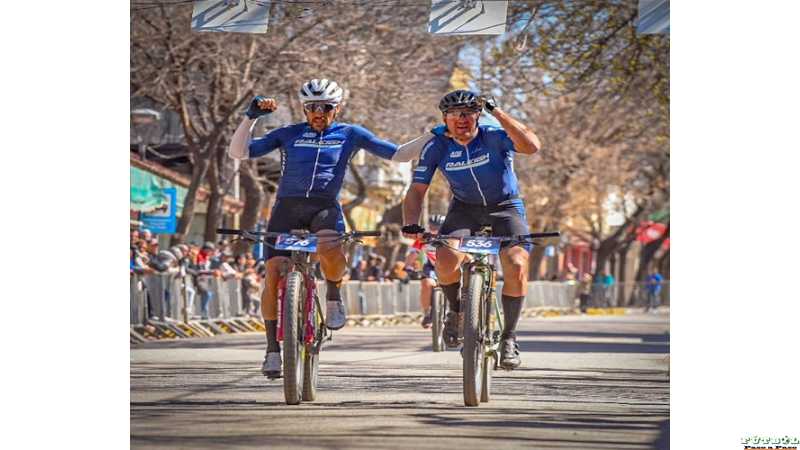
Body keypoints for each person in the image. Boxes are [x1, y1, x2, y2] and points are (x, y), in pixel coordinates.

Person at [227, 78, 421, 378]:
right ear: (304, 110)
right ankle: (271, 350)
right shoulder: (289, 133)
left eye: (326, 107)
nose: (319, 112)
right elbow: (239, 153)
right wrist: (249, 118)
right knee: (274, 272)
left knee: (331, 244)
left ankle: (332, 296)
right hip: (287, 208)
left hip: (325, 206)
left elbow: (399, 155)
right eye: (312, 107)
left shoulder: (350, 134)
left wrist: (434, 135)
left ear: (337, 108)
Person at [401, 89, 542, 370]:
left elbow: (531, 146)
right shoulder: (437, 146)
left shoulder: (493, 135)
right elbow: (416, 190)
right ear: (445, 119)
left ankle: (509, 338)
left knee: (515, 264)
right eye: (453, 114)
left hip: (505, 207)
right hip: (464, 209)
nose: (461, 119)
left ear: (478, 115)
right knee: (445, 258)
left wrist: (498, 112)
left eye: (467, 113)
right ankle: (455, 311)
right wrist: (410, 223)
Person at [404, 214, 444, 328]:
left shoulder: (450, 237)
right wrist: (407, 267)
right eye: (432, 226)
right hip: (432, 267)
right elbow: (413, 253)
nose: (434, 230)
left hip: (449, 267)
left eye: (437, 227)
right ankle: (427, 313)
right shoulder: (423, 238)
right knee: (426, 284)